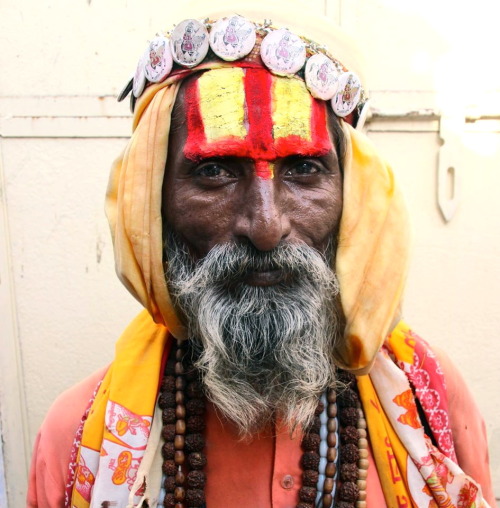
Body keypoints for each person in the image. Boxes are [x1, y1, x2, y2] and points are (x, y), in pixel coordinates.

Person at [27, 4, 496, 508]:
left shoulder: (431, 402)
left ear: (352, 197)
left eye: (303, 168)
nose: (267, 226)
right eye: (215, 172)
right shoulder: (78, 436)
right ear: (152, 202)